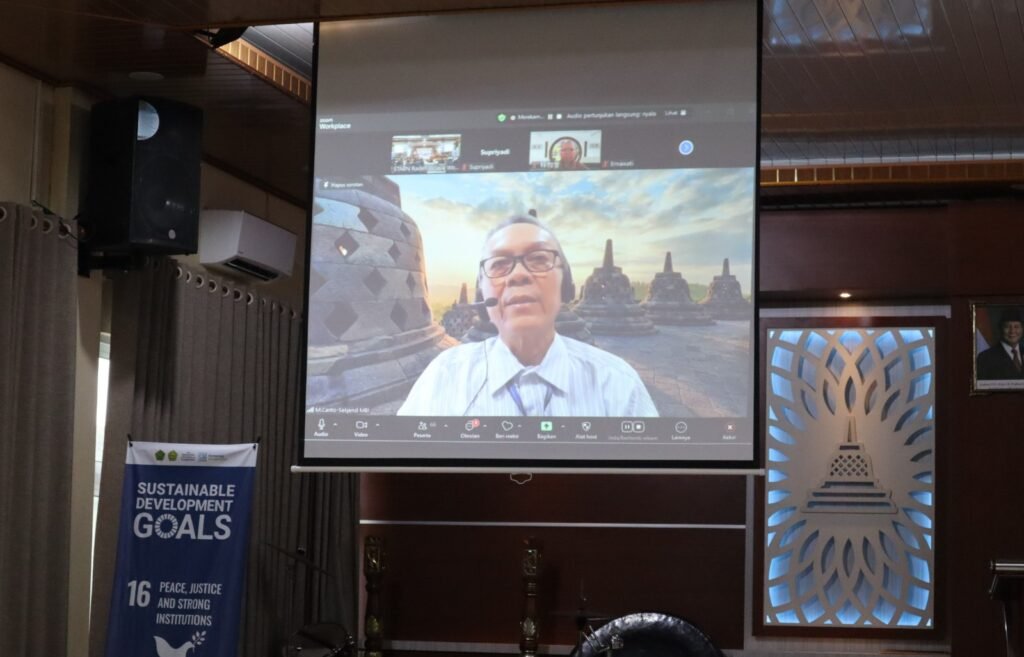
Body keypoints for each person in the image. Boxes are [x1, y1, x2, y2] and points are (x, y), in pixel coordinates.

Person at [398, 215, 658, 416]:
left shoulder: (617, 383)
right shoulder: (444, 376)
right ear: (482, 292)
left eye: (539, 259)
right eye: (499, 264)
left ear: (566, 285)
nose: (518, 275)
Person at [976, 308, 1024, 380]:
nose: (1012, 331)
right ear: (1000, 329)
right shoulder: (985, 358)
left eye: (1016, 327)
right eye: (1007, 327)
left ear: (1022, 329)